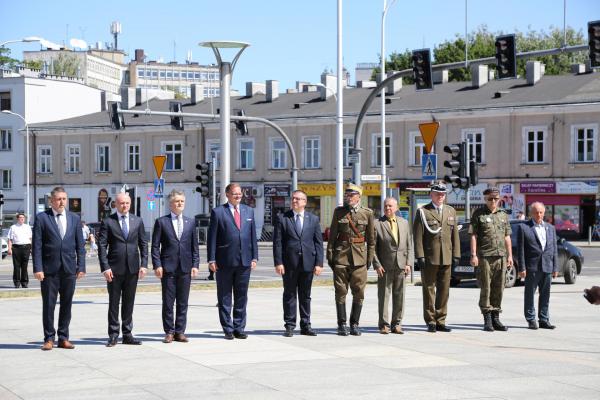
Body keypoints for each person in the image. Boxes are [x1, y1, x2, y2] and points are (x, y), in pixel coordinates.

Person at [32, 187, 86, 350]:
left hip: (69, 269)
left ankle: (63, 337)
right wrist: (38, 268)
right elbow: (37, 246)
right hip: (49, 270)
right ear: (51, 201)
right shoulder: (42, 218)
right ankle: (49, 338)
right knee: (48, 305)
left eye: (64, 199)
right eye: (58, 199)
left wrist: (81, 266)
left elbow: (80, 245)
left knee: (67, 304)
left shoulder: (74, 218)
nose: (62, 202)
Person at [207, 183, 258, 340]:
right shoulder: (218, 212)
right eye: (234, 193)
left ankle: (239, 327)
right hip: (224, 261)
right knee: (225, 297)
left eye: (240, 194)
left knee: (242, 296)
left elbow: (252, 236)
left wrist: (255, 257)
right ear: (227, 194)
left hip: (244, 262)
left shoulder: (248, 211)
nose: (238, 196)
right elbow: (212, 238)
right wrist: (211, 259)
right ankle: (228, 328)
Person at [98, 192, 148, 346]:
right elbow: (102, 246)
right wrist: (105, 267)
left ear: (130, 204)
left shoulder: (137, 221)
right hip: (114, 269)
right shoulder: (108, 221)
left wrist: (144, 264)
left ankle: (127, 334)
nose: (124, 206)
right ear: (116, 205)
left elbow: (143, 244)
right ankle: (113, 334)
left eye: (127, 203)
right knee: (114, 303)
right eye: (121, 203)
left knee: (129, 302)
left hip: (133, 268)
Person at [273, 189, 323, 337]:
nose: (294, 201)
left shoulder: (313, 219)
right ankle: (289, 325)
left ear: (305, 202)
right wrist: (278, 262)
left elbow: (318, 243)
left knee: (305, 295)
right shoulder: (283, 218)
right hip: (289, 264)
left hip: (308, 263)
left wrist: (319, 263)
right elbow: (277, 243)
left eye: (298, 199)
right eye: (293, 198)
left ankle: (306, 325)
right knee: (289, 295)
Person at [327, 183, 375, 336]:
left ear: (358, 197)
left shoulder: (367, 213)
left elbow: (371, 240)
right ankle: (341, 325)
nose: (348, 198)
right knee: (340, 292)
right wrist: (330, 256)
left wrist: (369, 260)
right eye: (347, 195)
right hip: (341, 257)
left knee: (359, 292)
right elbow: (332, 236)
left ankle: (354, 324)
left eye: (351, 195)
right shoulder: (339, 212)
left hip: (360, 259)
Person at [151, 189, 199, 343]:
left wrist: (195, 264)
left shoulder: (190, 222)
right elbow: (155, 246)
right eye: (177, 201)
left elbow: (194, 246)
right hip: (168, 268)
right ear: (171, 204)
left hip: (185, 267)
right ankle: (169, 332)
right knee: (168, 302)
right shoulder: (161, 222)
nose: (180, 203)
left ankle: (180, 331)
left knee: (183, 302)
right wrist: (157, 265)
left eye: (182, 201)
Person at [413, 181, 460, 333]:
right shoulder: (423, 211)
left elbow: (455, 235)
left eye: (443, 194)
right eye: (437, 194)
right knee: (429, 289)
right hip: (429, 257)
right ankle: (430, 320)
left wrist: (456, 254)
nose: (440, 196)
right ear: (431, 194)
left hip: (446, 256)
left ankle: (441, 320)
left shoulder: (451, 211)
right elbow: (418, 236)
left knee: (444, 290)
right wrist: (419, 256)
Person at [469, 187, 513, 332]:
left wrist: (510, 255)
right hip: (485, 256)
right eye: (490, 199)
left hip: (501, 256)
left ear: (499, 199)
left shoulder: (503, 215)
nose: (493, 201)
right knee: (486, 287)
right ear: (485, 199)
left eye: (495, 198)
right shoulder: (478, 214)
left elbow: (507, 236)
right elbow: (473, 235)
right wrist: (474, 255)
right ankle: (487, 318)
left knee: (499, 288)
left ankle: (496, 317)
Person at [372, 197, 413, 335]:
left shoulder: (404, 223)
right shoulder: (377, 223)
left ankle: (397, 324)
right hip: (384, 266)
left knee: (400, 296)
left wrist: (408, 263)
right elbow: (372, 248)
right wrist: (377, 264)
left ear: (396, 208)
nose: (387, 208)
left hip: (401, 265)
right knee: (384, 296)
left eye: (390, 206)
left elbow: (409, 244)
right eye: (385, 206)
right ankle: (384, 325)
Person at [517, 201, 558, 330]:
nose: (539, 215)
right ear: (531, 213)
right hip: (532, 267)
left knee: (545, 295)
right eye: (536, 212)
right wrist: (522, 267)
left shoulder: (550, 228)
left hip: (547, 266)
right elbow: (521, 250)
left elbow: (554, 249)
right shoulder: (524, 228)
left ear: (544, 213)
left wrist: (555, 267)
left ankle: (544, 319)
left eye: (541, 212)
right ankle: (531, 319)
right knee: (530, 294)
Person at [7, 212, 33, 288]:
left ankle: (24, 283)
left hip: (26, 247)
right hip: (16, 248)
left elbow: (30, 238)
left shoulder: (27, 227)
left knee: (25, 266)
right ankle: (17, 282)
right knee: (16, 266)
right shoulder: (13, 227)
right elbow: (10, 239)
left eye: (23, 218)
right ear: (17, 219)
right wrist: (9, 248)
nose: (22, 219)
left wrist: (31, 248)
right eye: (20, 217)